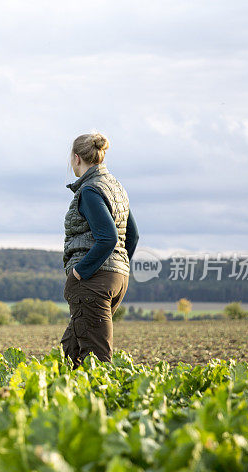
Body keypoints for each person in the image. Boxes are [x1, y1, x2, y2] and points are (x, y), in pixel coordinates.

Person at [61, 132, 139, 368]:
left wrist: (79, 273)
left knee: (96, 360)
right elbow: (132, 236)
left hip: (93, 281)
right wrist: (119, 266)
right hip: (116, 279)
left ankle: (100, 403)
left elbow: (108, 238)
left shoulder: (90, 190)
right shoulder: (115, 187)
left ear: (77, 158)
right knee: (70, 350)